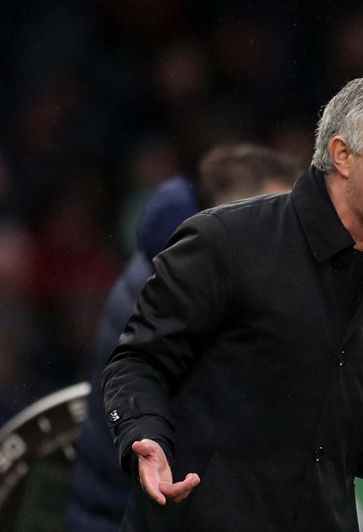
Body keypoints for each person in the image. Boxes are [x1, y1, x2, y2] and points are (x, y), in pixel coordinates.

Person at [101, 72, 363, 532]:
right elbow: (138, 361)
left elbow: (355, 439)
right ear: (342, 155)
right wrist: (142, 434)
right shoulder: (226, 240)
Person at [66, 144, 299, 532]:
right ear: (234, 215)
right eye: (276, 220)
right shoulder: (182, 291)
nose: (291, 239)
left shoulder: (167, 264)